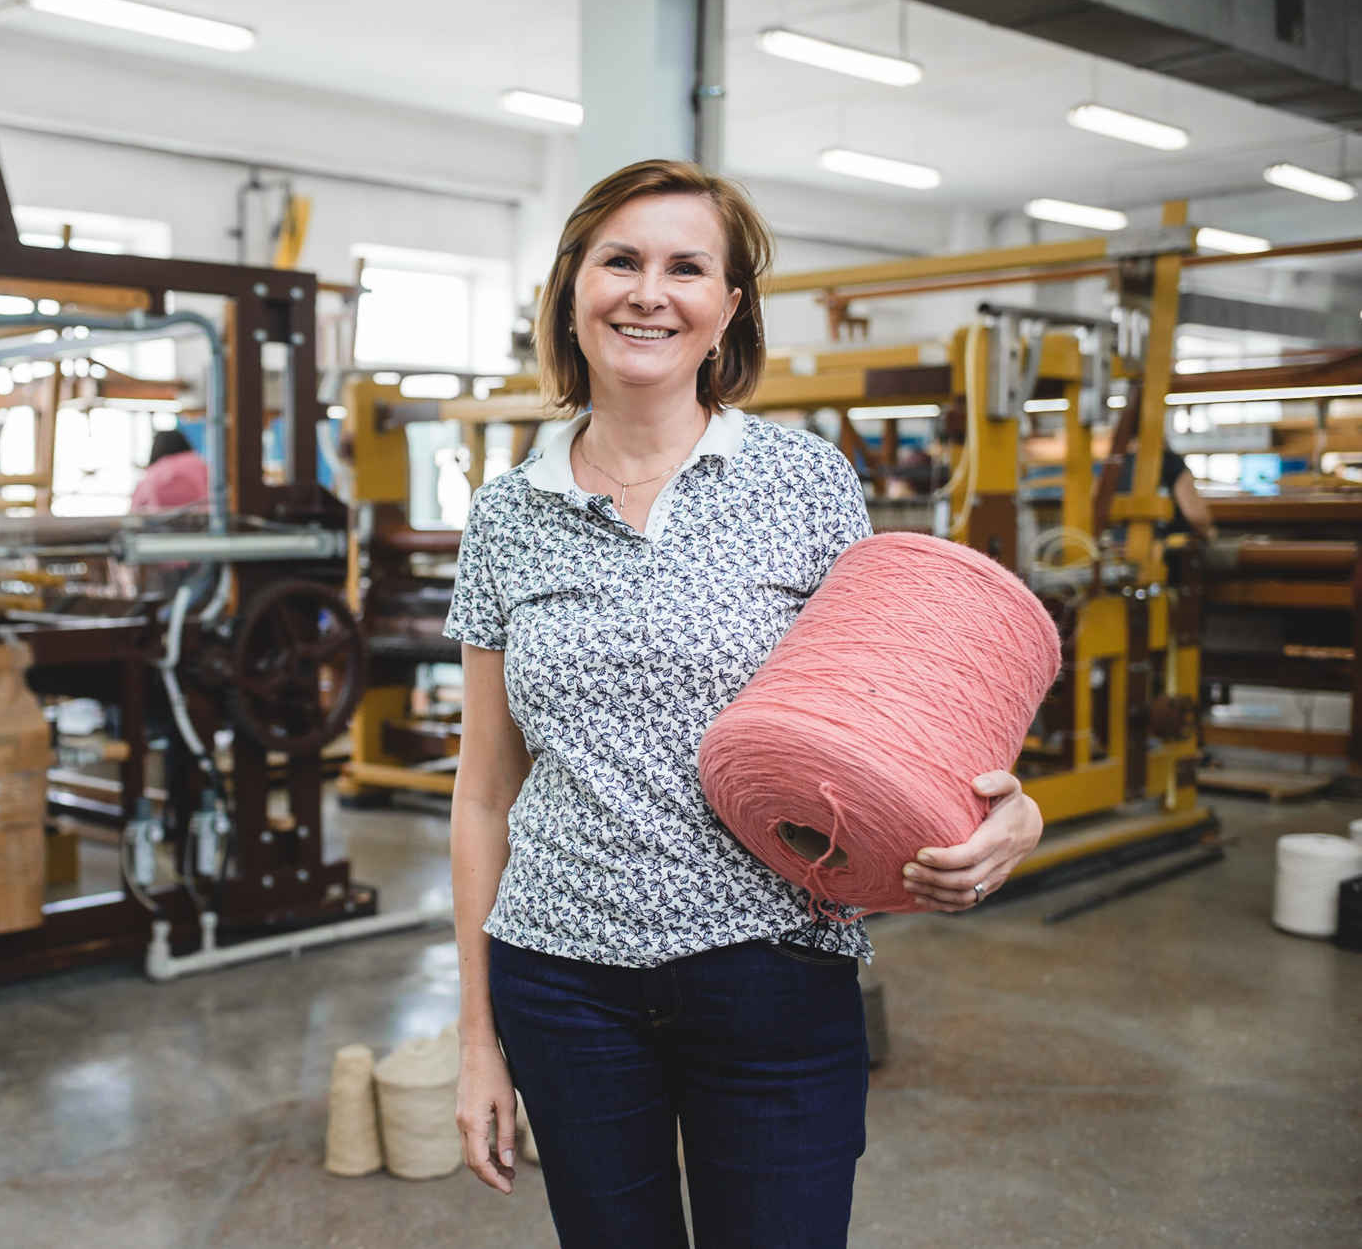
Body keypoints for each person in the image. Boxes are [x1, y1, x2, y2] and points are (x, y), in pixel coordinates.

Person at [445, 161, 1043, 1248]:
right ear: (572, 285)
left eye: (686, 267)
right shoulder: (505, 514)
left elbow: (903, 703)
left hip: (773, 968)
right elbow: (484, 792)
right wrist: (478, 1036)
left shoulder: (804, 481)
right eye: (619, 259)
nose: (647, 291)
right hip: (561, 983)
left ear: (726, 308)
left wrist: (1014, 811)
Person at [128, 428, 209, 515]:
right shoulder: (200, 463)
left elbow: (136, 507)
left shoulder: (157, 469)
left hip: (162, 522)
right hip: (205, 520)